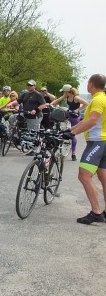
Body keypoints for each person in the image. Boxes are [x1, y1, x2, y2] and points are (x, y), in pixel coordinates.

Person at [62, 74, 106, 225]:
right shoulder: (101, 98)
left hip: (98, 142)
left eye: (88, 83)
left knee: (84, 175)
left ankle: (96, 212)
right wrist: (69, 130)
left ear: (92, 84)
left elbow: (93, 121)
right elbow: (86, 120)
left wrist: (73, 133)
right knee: (103, 177)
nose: (86, 85)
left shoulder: (98, 99)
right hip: (102, 142)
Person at [51, 84, 89, 161]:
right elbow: (58, 100)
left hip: (75, 116)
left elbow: (86, 103)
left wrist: (78, 109)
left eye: (64, 91)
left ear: (67, 91)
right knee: (59, 126)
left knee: (72, 134)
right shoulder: (67, 96)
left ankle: (73, 153)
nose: (63, 93)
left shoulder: (76, 97)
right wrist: (50, 104)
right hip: (69, 114)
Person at [17, 80, 47, 155]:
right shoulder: (25, 94)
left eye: (31, 85)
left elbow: (43, 105)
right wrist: (10, 105)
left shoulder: (37, 94)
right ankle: (15, 136)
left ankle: (35, 150)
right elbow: (17, 101)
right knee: (12, 118)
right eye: (28, 85)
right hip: (26, 115)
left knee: (34, 133)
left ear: (34, 86)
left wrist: (35, 110)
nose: (29, 86)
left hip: (35, 116)